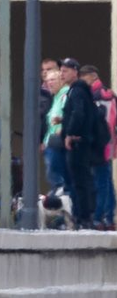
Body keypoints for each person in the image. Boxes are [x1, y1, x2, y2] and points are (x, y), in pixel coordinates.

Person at [60, 57, 98, 229]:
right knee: (83, 180)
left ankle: (83, 217)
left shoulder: (77, 91)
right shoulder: (80, 91)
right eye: (61, 70)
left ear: (76, 72)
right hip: (83, 141)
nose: (62, 73)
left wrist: (70, 133)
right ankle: (86, 215)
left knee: (80, 181)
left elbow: (78, 113)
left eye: (66, 70)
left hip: (77, 143)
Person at [81, 65, 116, 230]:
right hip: (109, 143)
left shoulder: (96, 95)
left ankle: (99, 218)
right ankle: (108, 218)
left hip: (99, 144)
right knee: (106, 181)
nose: (82, 79)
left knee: (101, 182)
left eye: (84, 76)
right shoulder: (110, 94)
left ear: (92, 76)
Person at [42, 58, 67, 192]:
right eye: (47, 81)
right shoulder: (56, 97)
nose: (49, 83)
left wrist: (61, 130)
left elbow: (69, 115)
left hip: (58, 143)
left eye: (52, 80)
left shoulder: (65, 95)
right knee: (53, 177)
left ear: (61, 80)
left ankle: (60, 204)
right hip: (51, 143)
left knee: (57, 177)